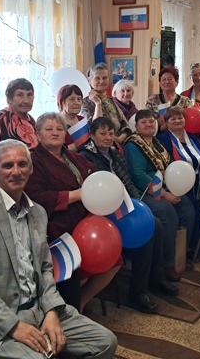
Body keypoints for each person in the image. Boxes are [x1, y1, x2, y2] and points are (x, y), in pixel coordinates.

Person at [0, 140, 117, 359]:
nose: (16, 171)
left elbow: (45, 269)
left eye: (22, 164)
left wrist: (51, 311)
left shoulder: (38, 212)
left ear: (31, 169)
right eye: (7, 165)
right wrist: (13, 325)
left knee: (105, 342)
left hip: (37, 308)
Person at [79, 117, 180, 312]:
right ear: (92, 135)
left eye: (110, 133)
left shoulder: (114, 151)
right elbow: (97, 193)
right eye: (102, 133)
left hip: (124, 204)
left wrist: (137, 203)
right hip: (103, 212)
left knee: (155, 224)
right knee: (146, 231)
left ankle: (156, 278)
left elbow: (127, 181)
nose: (108, 137)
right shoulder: (85, 157)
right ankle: (137, 292)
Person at [24, 113, 120, 311]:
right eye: (49, 129)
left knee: (116, 257)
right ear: (38, 134)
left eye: (59, 129)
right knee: (71, 263)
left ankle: (82, 301)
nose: (55, 133)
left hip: (88, 221)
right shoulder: (33, 162)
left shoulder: (76, 158)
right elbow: (36, 198)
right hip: (56, 225)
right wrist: (76, 195)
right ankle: (70, 306)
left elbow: (94, 180)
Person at [124, 109, 196, 282]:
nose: (148, 124)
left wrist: (173, 189)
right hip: (143, 192)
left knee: (187, 208)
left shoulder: (156, 143)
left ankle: (181, 253)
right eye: (144, 122)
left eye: (151, 121)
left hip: (164, 187)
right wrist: (164, 194)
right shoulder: (133, 145)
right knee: (167, 213)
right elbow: (139, 176)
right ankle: (166, 264)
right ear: (136, 126)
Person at [158, 106, 200, 245]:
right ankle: (187, 246)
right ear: (166, 122)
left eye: (180, 118)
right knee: (190, 211)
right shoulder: (162, 139)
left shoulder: (192, 137)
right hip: (178, 185)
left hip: (199, 182)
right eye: (173, 119)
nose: (177, 121)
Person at [81, 63, 131, 143]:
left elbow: (125, 124)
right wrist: (98, 104)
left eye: (104, 78)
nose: (101, 81)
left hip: (119, 143)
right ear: (89, 81)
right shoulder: (84, 103)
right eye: (97, 78)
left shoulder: (110, 100)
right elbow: (94, 128)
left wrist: (120, 138)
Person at [0, 78, 38, 149]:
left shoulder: (31, 120)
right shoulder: (1, 119)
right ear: (9, 99)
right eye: (20, 95)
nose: (26, 101)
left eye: (29, 95)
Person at [146, 66, 193, 134]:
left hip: (180, 135)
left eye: (170, 79)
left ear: (176, 82)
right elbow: (147, 120)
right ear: (160, 83)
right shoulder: (152, 99)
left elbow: (190, 121)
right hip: (158, 136)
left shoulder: (185, 101)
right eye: (163, 79)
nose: (166, 82)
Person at [56, 84, 87, 151]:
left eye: (79, 99)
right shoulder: (56, 122)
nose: (77, 103)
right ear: (62, 102)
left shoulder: (82, 120)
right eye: (72, 99)